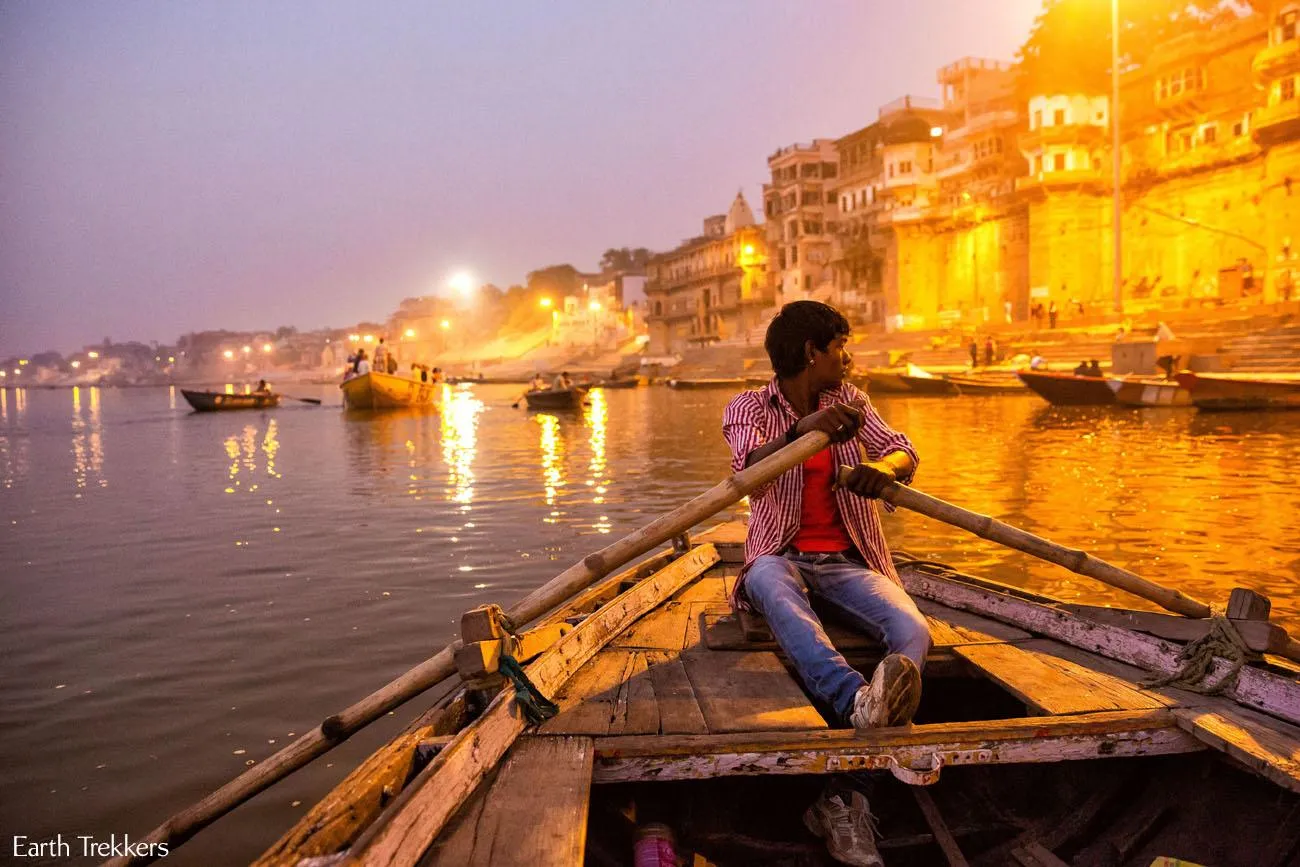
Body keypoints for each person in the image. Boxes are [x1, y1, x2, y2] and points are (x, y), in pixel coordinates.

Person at [723, 300, 929, 867]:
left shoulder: (852, 400)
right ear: (812, 352)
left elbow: (902, 450)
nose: (848, 358)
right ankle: (854, 703)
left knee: (913, 631)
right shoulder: (748, 406)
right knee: (773, 590)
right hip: (778, 554)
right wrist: (800, 430)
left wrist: (880, 470)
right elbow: (747, 465)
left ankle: (846, 794)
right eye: (840, 348)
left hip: (848, 559)